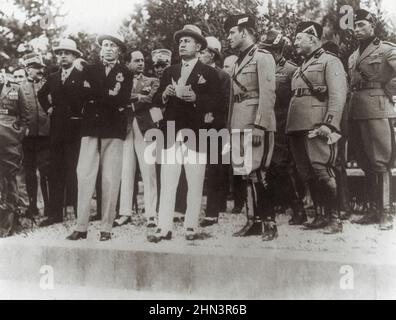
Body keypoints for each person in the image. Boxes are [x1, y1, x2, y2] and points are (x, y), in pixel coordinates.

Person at [148, 25, 221, 243]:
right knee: (167, 180)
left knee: (195, 180)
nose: (182, 45)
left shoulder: (209, 73)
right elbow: (154, 103)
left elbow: (217, 103)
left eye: (187, 41)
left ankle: (190, 226)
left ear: (198, 46)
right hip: (171, 131)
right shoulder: (170, 71)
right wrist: (164, 94)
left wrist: (196, 99)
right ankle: (163, 228)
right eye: (180, 42)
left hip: (196, 133)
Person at [66, 33, 133, 241]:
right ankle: (81, 226)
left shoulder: (125, 72)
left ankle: (106, 227)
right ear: (100, 49)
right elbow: (75, 95)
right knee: (84, 174)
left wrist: (94, 94)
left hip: (113, 129)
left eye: (113, 46)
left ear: (119, 51)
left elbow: (120, 99)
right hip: (90, 128)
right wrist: (80, 75)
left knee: (110, 177)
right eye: (105, 45)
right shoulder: (88, 69)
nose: (108, 49)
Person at [287, 21, 347, 234]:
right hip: (297, 126)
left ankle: (334, 218)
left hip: (317, 125)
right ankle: (321, 215)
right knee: (307, 172)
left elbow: (338, 95)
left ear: (312, 39)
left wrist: (329, 123)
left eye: (298, 38)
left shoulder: (330, 61)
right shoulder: (301, 66)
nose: (294, 42)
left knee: (323, 169)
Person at [225, 14, 277, 241]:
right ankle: (253, 221)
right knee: (244, 174)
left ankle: (269, 223)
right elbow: (232, 99)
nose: (228, 37)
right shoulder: (237, 61)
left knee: (258, 172)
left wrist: (260, 125)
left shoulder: (262, 56)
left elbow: (268, 93)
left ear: (244, 31)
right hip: (238, 120)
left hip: (255, 122)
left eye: (231, 32)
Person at [349, 9, 396, 230]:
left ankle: (386, 211)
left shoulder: (385, 49)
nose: (357, 30)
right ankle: (372, 209)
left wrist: (387, 89)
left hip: (378, 109)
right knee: (365, 161)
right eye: (355, 26)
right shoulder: (352, 56)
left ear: (372, 26)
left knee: (381, 161)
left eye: (361, 25)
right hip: (357, 110)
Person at [260, 30, 307, 225]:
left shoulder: (291, 70)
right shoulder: (262, 67)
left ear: (278, 51)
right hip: (265, 123)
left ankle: (298, 208)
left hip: (282, 125)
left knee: (282, 166)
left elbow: (297, 101)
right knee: (267, 167)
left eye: (269, 50)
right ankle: (275, 205)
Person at [38, 39, 85, 226]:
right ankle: (56, 214)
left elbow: (91, 96)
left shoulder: (82, 76)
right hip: (56, 131)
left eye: (67, 53)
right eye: (60, 53)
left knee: (74, 170)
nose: (63, 56)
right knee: (55, 170)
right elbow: (41, 94)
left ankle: (78, 211)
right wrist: (49, 107)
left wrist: (82, 113)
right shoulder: (53, 77)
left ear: (75, 56)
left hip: (76, 130)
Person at [115, 50, 160, 228]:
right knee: (125, 171)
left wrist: (130, 100)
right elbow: (117, 99)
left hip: (145, 128)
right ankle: (125, 213)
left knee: (148, 172)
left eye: (142, 60)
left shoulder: (152, 81)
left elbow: (150, 99)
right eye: (136, 60)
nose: (141, 63)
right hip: (125, 128)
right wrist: (137, 97)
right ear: (128, 63)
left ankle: (151, 214)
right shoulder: (121, 81)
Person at [199, 36, 231, 227]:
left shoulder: (222, 76)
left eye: (203, 52)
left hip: (216, 127)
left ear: (211, 55)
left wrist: (214, 117)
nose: (200, 55)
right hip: (196, 126)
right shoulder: (194, 73)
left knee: (216, 168)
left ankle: (213, 211)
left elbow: (226, 104)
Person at [19, 53, 50, 219]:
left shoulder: (46, 85)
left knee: (46, 171)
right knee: (29, 172)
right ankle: (32, 207)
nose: (40, 70)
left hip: (45, 135)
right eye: (36, 68)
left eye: (41, 68)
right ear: (27, 69)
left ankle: (50, 207)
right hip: (28, 137)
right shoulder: (19, 87)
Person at [0, 71, 28, 237]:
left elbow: (25, 115)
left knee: (11, 178)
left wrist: (20, 133)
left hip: (10, 139)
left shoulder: (15, 89)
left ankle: (10, 223)